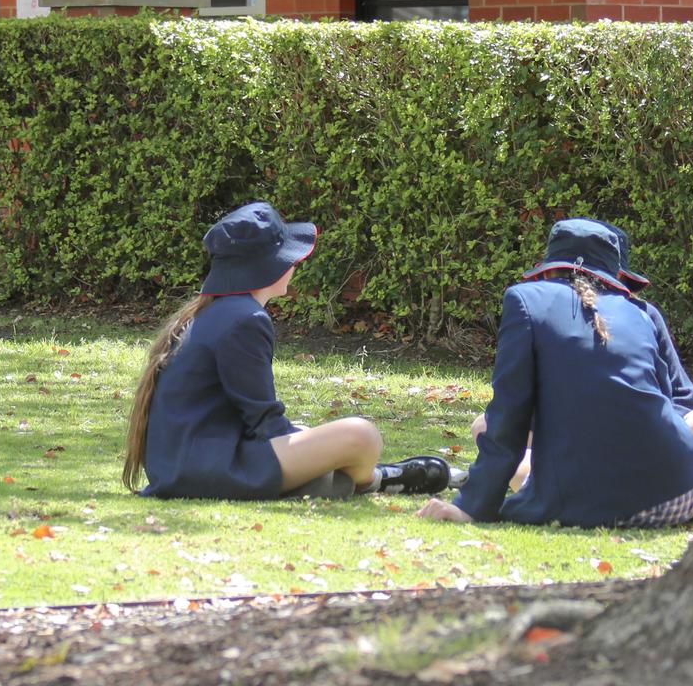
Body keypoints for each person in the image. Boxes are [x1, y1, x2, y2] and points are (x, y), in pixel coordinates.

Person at [122, 201, 453, 500]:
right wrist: (314, 449)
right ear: (269, 265)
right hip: (209, 469)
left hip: (185, 467)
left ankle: (340, 480)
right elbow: (264, 422)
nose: (295, 263)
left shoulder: (215, 311)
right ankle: (374, 479)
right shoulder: (245, 318)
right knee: (361, 435)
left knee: (316, 438)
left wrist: (307, 444)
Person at [416, 217, 693, 527]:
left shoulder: (524, 300)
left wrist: (471, 507)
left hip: (577, 505)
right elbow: (666, 402)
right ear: (614, 277)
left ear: (547, 270)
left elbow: (508, 414)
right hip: (676, 496)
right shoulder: (640, 313)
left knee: (500, 438)